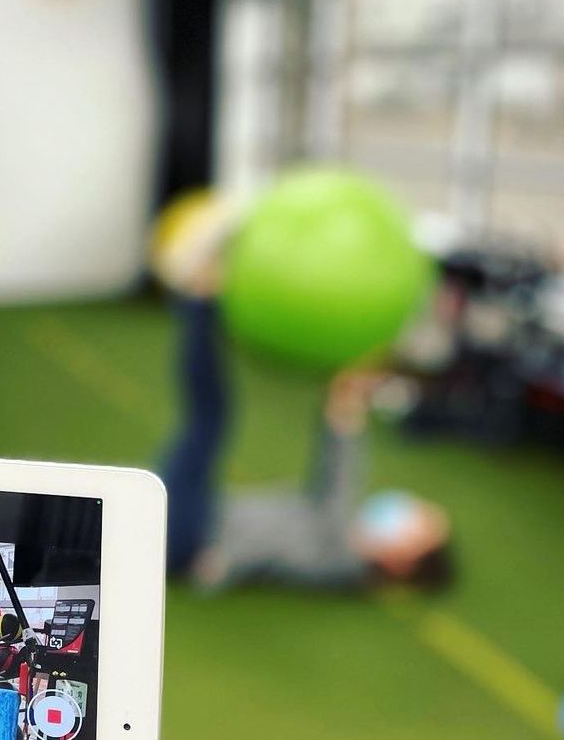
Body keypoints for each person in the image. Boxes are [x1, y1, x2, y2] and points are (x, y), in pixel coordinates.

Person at [154, 190, 452, 592]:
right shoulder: (334, 535)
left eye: (415, 525)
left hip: (189, 535)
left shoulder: (343, 557)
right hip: (196, 522)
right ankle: (201, 300)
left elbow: (337, 475)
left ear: (401, 561)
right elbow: (326, 486)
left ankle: (199, 300)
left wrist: (348, 403)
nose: (407, 510)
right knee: (208, 419)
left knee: (209, 419)